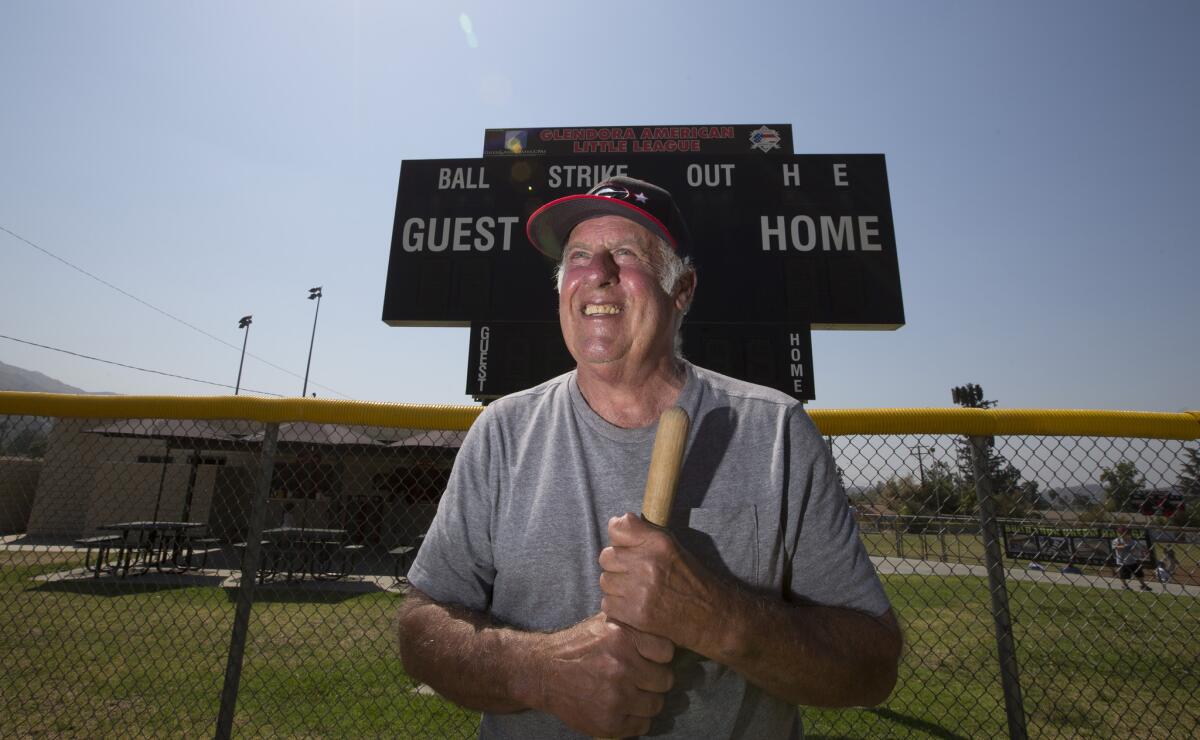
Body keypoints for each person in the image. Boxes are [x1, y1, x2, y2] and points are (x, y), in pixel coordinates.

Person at [396, 176, 902, 738]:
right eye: (580, 255)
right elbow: (420, 628)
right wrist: (540, 674)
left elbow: (872, 665)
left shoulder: (776, 431)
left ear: (681, 290)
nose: (598, 272)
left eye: (627, 253)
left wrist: (720, 620)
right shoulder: (501, 433)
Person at [1112, 526, 1152, 591]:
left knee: (1139, 573)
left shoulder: (1132, 541)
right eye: (1123, 533)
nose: (1125, 534)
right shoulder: (1117, 540)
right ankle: (1125, 585)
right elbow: (1116, 547)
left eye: (1127, 533)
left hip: (1132, 560)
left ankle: (1143, 585)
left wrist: (1145, 551)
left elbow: (1140, 547)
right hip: (1122, 561)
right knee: (1123, 575)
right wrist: (1125, 546)